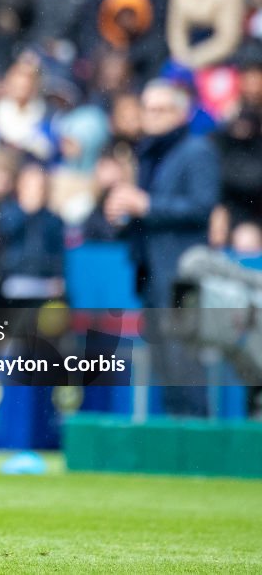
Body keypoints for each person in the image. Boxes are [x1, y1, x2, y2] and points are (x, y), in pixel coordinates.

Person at [105, 80, 220, 416]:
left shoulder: (197, 150)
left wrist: (147, 205)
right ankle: (176, 446)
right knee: (164, 364)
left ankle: (197, 446)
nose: (151, 117)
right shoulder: (150, 154)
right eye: (147, 109)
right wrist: (125, 216)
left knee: (183, 360)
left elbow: (202, 207)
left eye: (160, 110)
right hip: (152, 273)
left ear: (180, 113)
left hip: (180, 272)